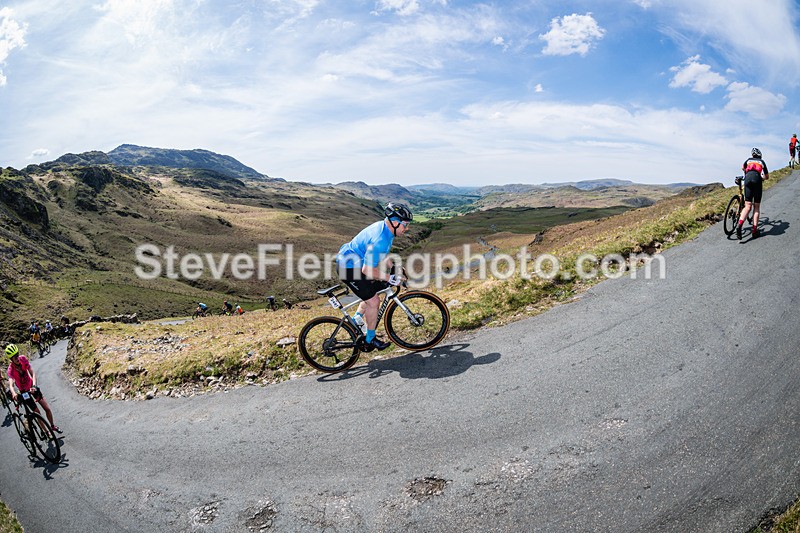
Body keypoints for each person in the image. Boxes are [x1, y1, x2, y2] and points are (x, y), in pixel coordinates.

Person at [335, 202, 412, 351]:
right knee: (374, 301)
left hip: (354, 263)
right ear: (395, 222)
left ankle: (358, 317)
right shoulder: (380, 239)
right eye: (405, 225)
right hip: (348, 268)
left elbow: (382, 253)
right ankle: (370, 339)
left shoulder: (386, 229)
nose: (407, 229)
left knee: (377, 287)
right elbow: (367, 270)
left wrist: (392, 266)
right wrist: (389, 278)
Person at [5, 344, 61, 434]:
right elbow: (11, 384)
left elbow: (32, 373)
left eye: (17, 354)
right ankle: (46, 432)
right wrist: (14, 393)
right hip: (24, 392)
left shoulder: (23, 359)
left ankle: (52, 426)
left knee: (47, 408)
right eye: (14, 357)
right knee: (37, 413)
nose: (17, 357)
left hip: (32, 386)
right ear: (11, 359)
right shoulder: (10, 369)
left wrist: (34, 386)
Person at [737, 147, 769, 239]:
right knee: (756, 207)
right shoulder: (762, 162)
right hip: (757, 179)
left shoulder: (748, 160)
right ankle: (754, 230)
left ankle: (739, 225)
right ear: (760, 155)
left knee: (747, 206)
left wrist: (747, 173)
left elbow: (743, 168)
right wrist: (762, 178)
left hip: (747, 179)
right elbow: (767, 176)